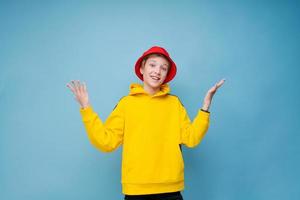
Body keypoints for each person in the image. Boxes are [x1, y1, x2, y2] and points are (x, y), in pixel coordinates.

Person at [66, 46, 225, 200]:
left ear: (166, 74)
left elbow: (191, 138)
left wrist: (205, 106)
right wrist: (86, 108)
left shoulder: (174, 104)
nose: (157, 71)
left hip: (170, 190)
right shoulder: (126, 104)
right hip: (136, 192)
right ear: (142, 69)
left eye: (163, 68)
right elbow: (106, 141)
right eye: (152, 65)